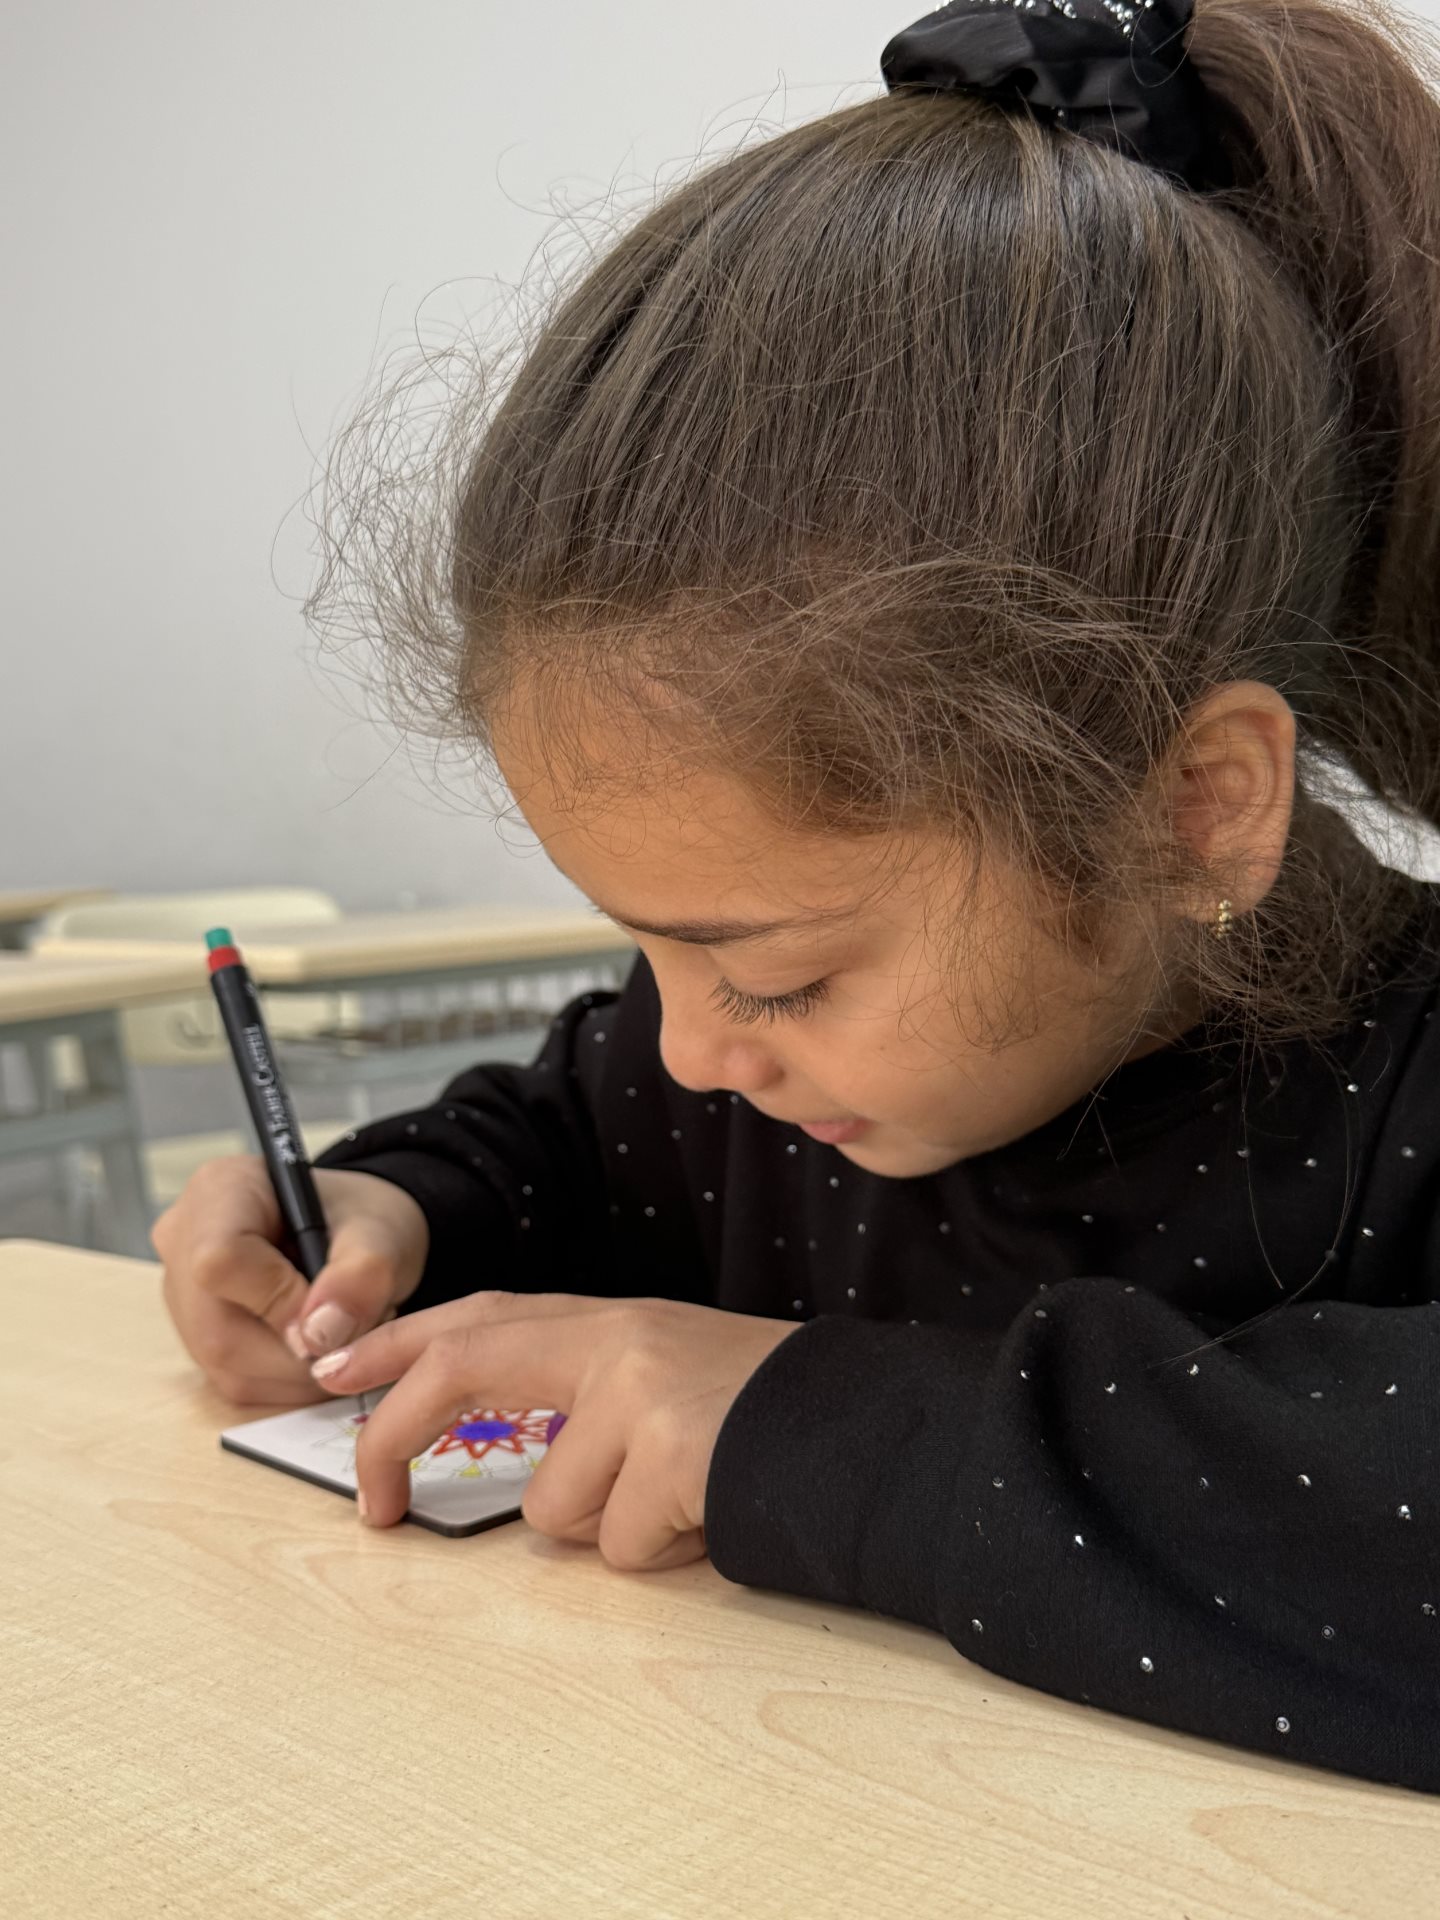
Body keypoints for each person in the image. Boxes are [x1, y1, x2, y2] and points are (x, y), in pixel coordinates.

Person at [155, 0, 1440, 1792]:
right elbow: (563, 1141)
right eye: (645, 948)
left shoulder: (1408, 1093)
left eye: (773, 973)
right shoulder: (734, 1090)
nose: (689, 1050)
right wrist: (387, 1210)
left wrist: (790, 1420)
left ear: (1191, 812)